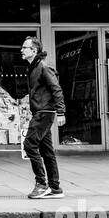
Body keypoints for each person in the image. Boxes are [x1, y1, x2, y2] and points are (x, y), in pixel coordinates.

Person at [20, 37, 65, 199]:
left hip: (44, 112)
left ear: (34, 50)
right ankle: (55, 188)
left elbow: (56, 89)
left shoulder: (43, 67)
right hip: (42, 111)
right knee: (47, 151)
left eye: (25, 48)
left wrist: (61, 112)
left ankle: (41, 184)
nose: (22, 50)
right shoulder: (34, 67)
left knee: (29, 145)